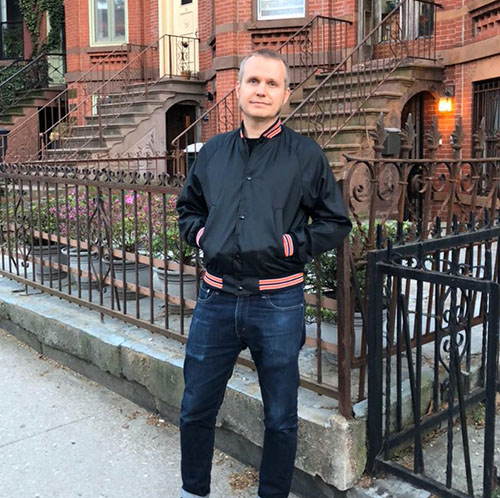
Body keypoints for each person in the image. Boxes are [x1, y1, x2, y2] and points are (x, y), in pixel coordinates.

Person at [176, 49, 352, 498]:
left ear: (285, 94)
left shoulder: (305, 156)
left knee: (280, 417)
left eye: (272, 83)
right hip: (215, 301)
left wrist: (288, 245)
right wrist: (205, 237)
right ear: (237, 88)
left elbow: (335, 222)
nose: (261, 90)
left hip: (277, 304)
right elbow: (188, 210)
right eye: (253, 81)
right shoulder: (212, 153)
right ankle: (193, 491)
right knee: (195, 407)